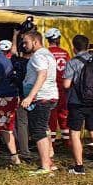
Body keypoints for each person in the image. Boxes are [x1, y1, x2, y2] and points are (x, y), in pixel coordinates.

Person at [61, 35, 93, 174]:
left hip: (77, 102)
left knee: (75, 134)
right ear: (88, 45)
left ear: (74, 48)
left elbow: (66, 84)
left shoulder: (73, 62)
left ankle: (79, 167)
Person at [20, 31, 59, 175]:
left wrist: (30, 96)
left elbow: (42, 74)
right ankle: (49, 161)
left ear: (35, 42)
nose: (24, 45)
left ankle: (45, 166)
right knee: (45, 128)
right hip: (49, 95)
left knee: (38, 130)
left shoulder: (38, 56)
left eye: (26, 42)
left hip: (42, 97)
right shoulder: (47, 54)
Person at [44, 28, 72, 144]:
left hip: (50, 89)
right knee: (64, 114)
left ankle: (52, 142)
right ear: (58, 39)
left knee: (52, 115)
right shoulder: (65, 53)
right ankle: (67, 142)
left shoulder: (45, 53)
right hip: (64, 89)